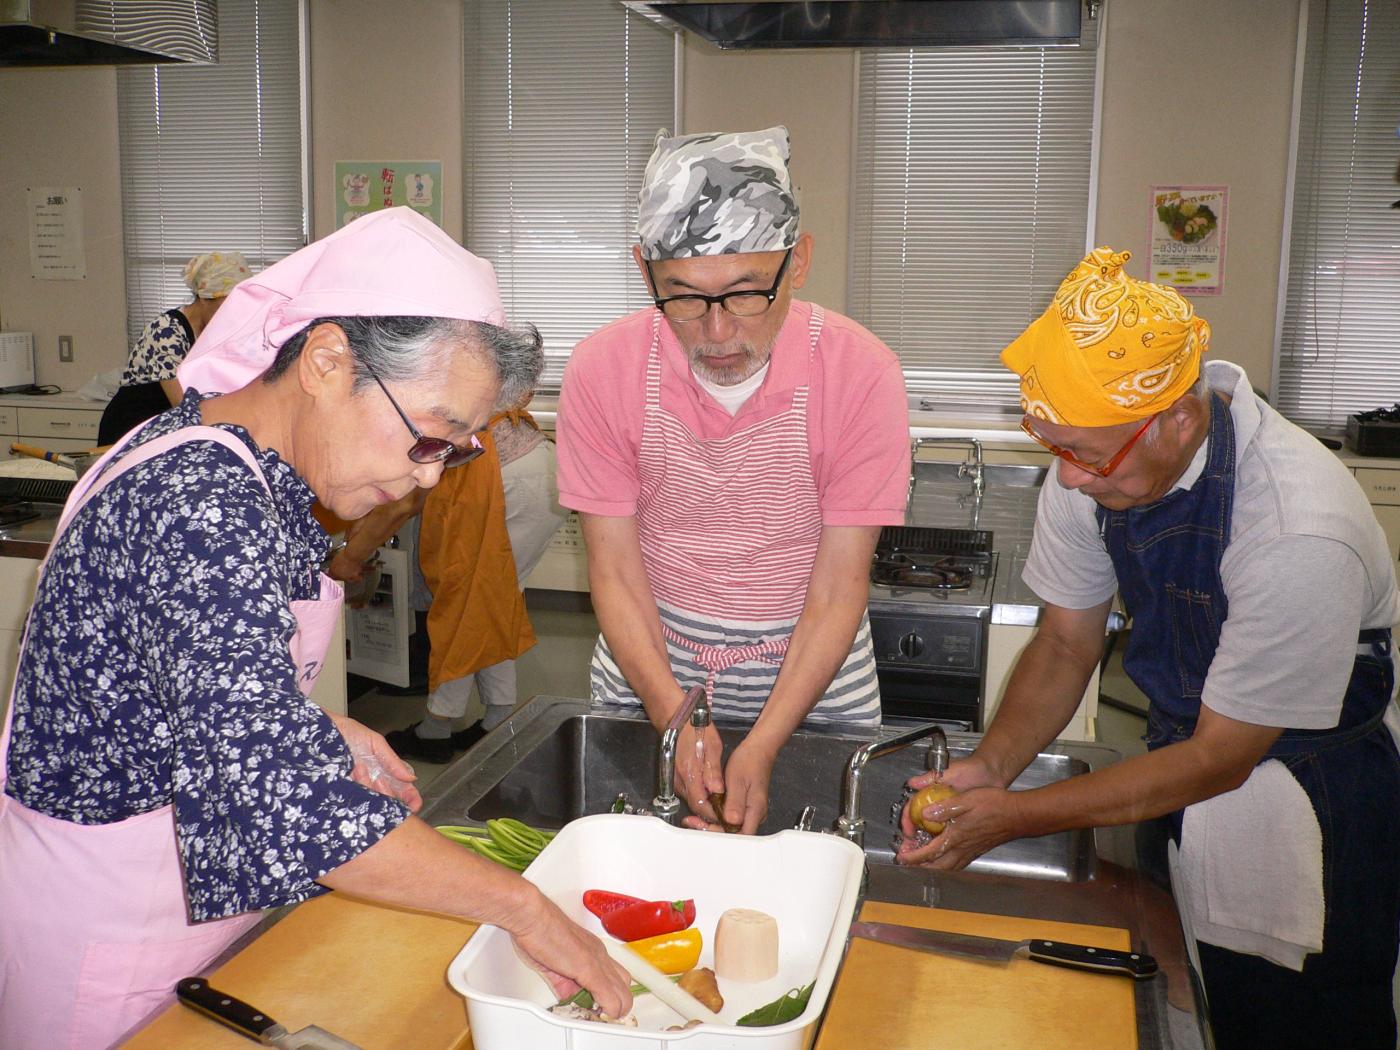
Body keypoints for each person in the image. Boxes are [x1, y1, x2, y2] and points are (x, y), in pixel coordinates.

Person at [0, 208, 631, 1050]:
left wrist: (314, 727)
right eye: (429, 438)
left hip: (190, 913)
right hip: (115, 941)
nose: (431, 478)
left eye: (454, 451)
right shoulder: (199, 504)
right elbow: (281, 806)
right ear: (328, 361)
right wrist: (525, 910)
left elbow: (173, 681)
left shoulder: (227, 457)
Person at [897, 247, 1400, 1049]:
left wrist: (1013, 817)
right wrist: (991, 768)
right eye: (1053, 449)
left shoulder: (1299, 527)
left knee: (1299, 1023)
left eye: (1086, 457)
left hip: (1306, 794)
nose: (1066, 480)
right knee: (1192, 987)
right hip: (1177, 760)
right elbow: (1066, 643)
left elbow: (1221, 758)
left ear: (1181, 419)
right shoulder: (1097, 463)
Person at [555, 126, 910, 835]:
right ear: (644, 270)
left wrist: (769, 738)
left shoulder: (861, 373)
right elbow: (617, 574)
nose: (717, 332)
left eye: (747, 293)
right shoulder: (602, 371)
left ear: (798, 261)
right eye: (683, 297)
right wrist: (674, 717)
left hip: (818, 684)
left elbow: (840, 586)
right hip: (648, 672)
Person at [328, 399, 567, 763]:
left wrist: (349, 560)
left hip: (508, 481)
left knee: (466, 605)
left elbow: (399, 506)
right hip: (536, 468)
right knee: (491, 601)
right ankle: (499, 719)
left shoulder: (401, 424)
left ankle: (435, 729)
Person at [98, 251, 252, 445]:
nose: (234, 313)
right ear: (205, 297)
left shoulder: (211, 334)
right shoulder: (167, 331)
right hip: (130, 433)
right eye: (227, 304)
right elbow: (183, 406)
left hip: (164, 432)